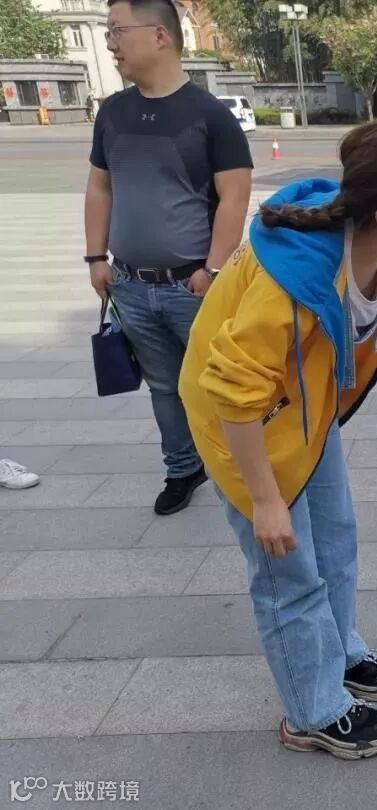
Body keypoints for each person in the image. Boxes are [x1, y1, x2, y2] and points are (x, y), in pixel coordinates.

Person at [178, 114, 377, 760]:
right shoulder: (296, 277)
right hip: (238, 422)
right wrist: (265, 501)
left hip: (300, 409)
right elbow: (231, 392)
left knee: (334, 538)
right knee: (288, 567)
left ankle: (339, 651)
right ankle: (311, 709)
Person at [84, 0, 252, 515]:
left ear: (159, 35)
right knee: (162, 385)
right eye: (109, 33)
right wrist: (96, 258)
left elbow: (235, 197)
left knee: (216, 381)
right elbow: (99, 187)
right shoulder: (112, 113)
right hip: (130, 284)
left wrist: (212, 271)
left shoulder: (210, 116)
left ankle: (239, 470)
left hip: (192, 285)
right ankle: (182, 468)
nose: (111, 44)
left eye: (117, 31)